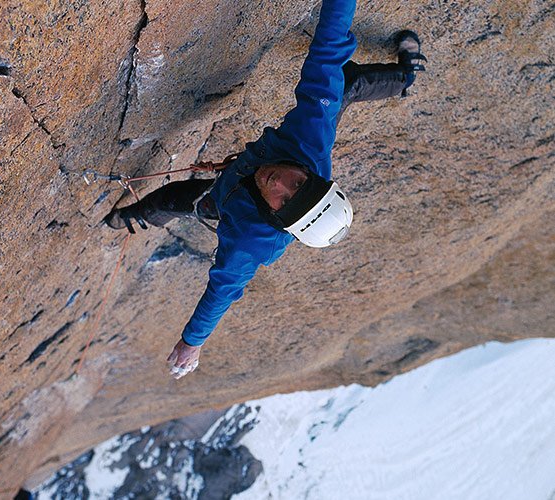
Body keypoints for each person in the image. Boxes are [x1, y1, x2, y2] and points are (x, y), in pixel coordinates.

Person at [104, 0, 426, 379]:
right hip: (240, 180)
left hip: (226, 201)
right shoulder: (309, 141)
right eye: (300, 184)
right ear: (315, 176)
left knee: (175, 198)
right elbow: (327, 51)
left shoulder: (251, 241)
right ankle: (405, 77)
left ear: (276, 219)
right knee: (346, 80)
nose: (281, 184)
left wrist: (191, 342)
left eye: (285, 202)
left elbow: (222, 290)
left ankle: (132, 215)